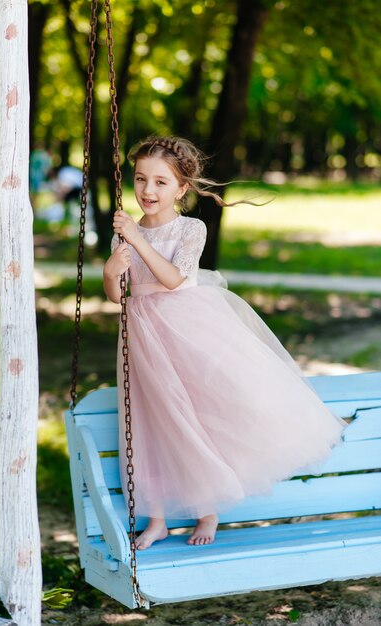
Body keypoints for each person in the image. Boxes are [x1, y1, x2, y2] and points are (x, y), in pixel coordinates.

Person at [103, 136, 348, 551]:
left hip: (186, 329)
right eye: (142, 179)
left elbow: (175, 279)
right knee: (149, 419)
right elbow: (117, 294)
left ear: (181, 189)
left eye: (161, 183)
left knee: (198, 413)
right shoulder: (126, 233)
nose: (148, 191)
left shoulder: (189, 229)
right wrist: (112, 268)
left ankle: (208, 509)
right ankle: (157, 518)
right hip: (142, 333)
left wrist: (135, 240)